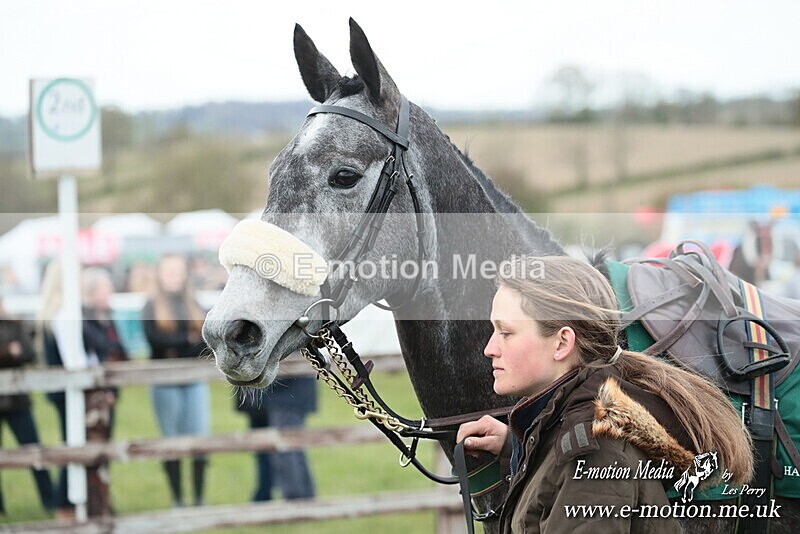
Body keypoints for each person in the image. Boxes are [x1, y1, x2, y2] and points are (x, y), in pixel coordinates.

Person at [457, 255, 754, 533]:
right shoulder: (574, 426)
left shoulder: (592, 454)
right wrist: (518, 446)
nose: (489, 348)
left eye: (505, 333)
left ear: (562, 343)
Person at [142, 254, 209, 508]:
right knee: (171, 440)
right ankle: (178, 499)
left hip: (193, 380)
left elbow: (203, 341)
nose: (175, 276)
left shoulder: (193, 303)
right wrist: (186, 340)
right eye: (169, 271)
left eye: (178, 271)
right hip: (165, 383)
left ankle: (199, 498)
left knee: (200, 439)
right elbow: (156, 341)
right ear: (159, 275)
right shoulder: (151, 307)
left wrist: (182, 342)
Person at [0, 299, 54, 516]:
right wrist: (8, 352)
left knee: (34, 452)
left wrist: (14, 353)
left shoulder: (14, 324)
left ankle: (50, 501)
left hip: (18, 401)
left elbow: (29, 353)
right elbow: (16, 352)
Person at [235, 374, 317, 501]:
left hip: (288, 391)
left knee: (288, 450)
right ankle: (264, 498)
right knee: (263, 450)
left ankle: (298, 502)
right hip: (257, 392)